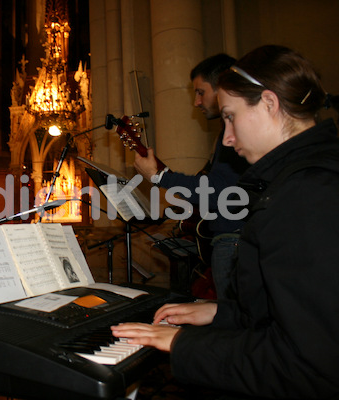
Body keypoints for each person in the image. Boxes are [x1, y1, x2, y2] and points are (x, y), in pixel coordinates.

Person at [112, 45, 339, 398]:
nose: (228, 138)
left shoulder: (308, 194)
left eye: (230, 116)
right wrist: (222, 313)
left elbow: (308, 366)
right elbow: (286, 315)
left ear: (269, 103)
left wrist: (183, 346)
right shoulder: (298, 180)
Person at [134, 53, 249, 300]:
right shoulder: (230, 133)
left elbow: (218, 191)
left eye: (200, 92)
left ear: (222, 87)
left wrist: (158, 177)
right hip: (230, 238)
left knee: (233, 325)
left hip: (233, 240)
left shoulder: (238, 132)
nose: (197, 102)